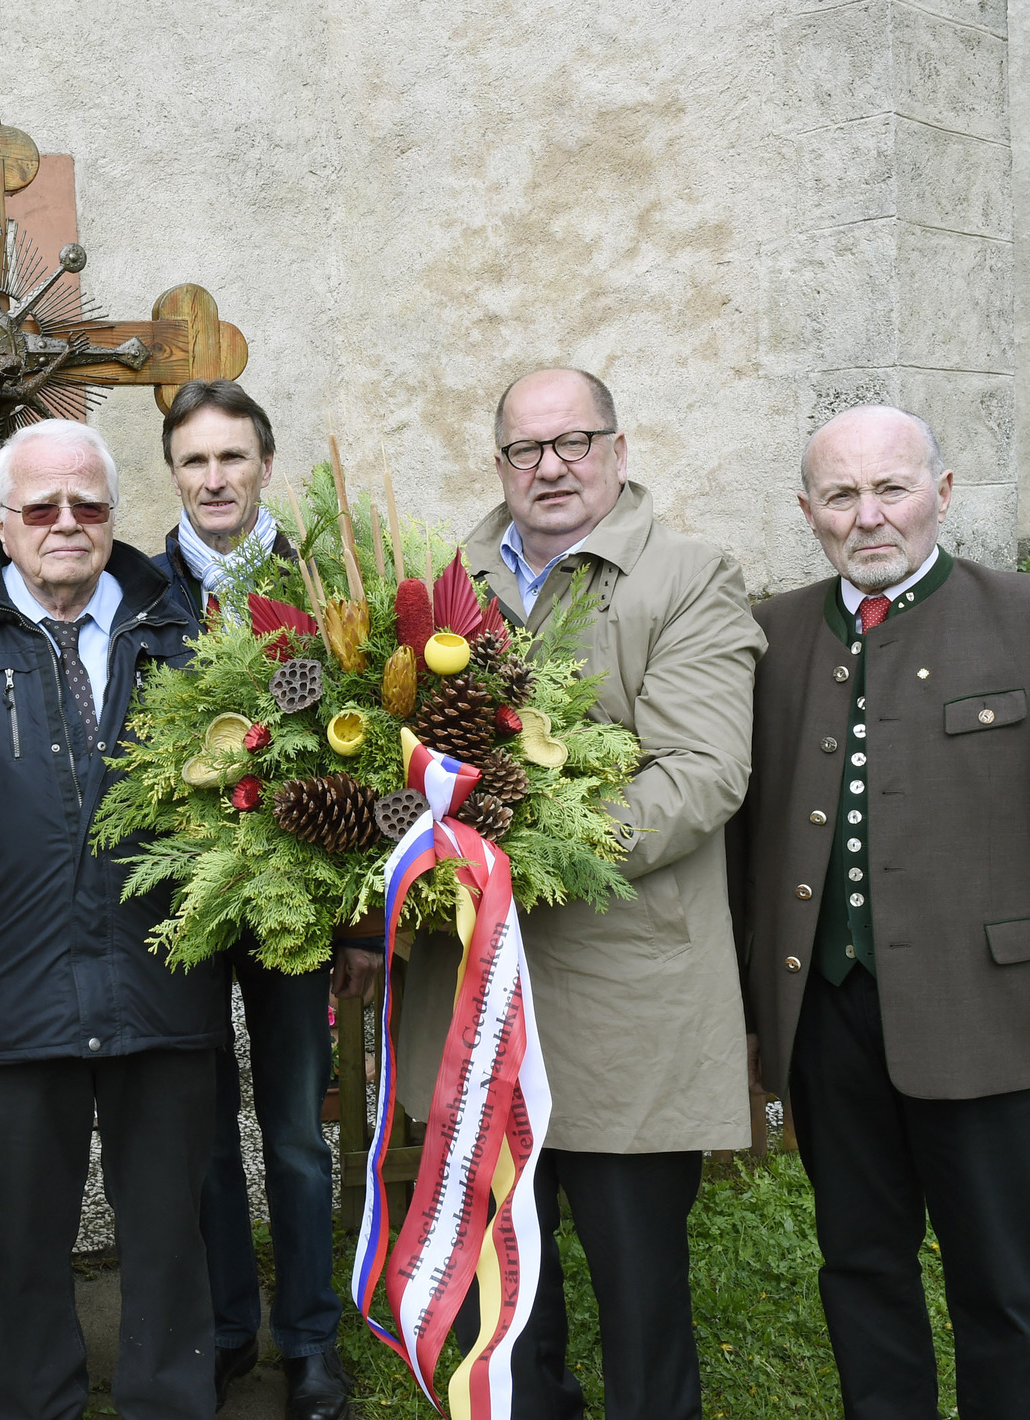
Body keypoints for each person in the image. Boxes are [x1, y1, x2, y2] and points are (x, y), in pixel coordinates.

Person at [730, 404, 1030, 1419]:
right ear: (806, 511)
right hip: (827, 1021)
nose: (868, 516)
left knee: (1001, 1285)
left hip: (987, 1023)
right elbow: (746, 840)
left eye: (891, 488)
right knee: (859, 1267)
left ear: (941, 495)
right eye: (840, 495)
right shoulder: (770, 634)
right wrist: (752, 1019)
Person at [395, 368, 763, 1419]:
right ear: (498, 462)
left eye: (573, 441)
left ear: (615, 446)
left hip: (621, 996)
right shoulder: (436, 589)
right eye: (525, 449)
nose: (549, 465)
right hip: (474, 995)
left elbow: (700, 772)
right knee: (507, 1301)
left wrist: (525, 855)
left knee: (639, 1296)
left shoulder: (687, 577)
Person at [0, 419, 225, 1420]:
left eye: (89, 506)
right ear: (0, 519)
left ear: (115, 516)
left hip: (161, 987)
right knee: (21, 1242)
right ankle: (34, 1403)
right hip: (7, 997)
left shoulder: (188, 633)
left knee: (166, 1235)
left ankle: (171, 1401)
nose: (65, 524)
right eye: (40, 506)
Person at [154, 379, 370, 1417]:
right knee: (198, 1128)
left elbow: (372, 754)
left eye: (230, 458)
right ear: (173, 474)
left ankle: (310, 1342)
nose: (213, 478)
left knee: (291, 1128)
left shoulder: (324, 580)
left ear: (264, 465)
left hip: (297, 907)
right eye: (194, 461)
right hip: (189, 903)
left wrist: (360, 912)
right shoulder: (136, 587)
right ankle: (227, 1326)